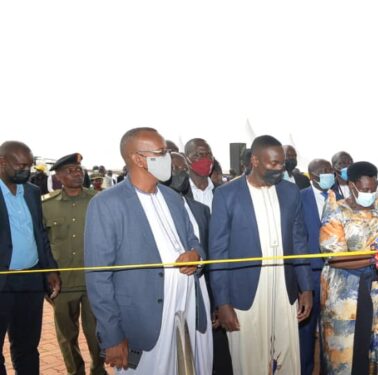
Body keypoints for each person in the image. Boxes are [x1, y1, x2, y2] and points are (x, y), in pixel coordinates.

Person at [84, 127, 211, 374]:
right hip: (144, 320)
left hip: (185, 313)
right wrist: (112, 336)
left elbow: (194, 241)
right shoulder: (107, 204)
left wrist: (196, 256)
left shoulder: (173, 197)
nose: (168, 158)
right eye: (162, 152)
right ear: (138, 159)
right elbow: (98, 277)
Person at [209, 135, 313, 375]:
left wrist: (306, 288)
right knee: (249, 363)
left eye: (282, 163)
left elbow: (299, 241)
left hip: (285, 290)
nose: (280, 168)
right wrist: (222, 302)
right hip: (245, 293)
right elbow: (218, 252)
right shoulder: (227, 194)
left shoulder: (290, 191)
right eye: (273, 163)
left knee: (288, 360)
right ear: (254, 160)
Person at [319, 161, 378, 374]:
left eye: (373, 188)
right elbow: (334, 257)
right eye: (365, 189)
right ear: (352, 185)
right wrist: (374, 258)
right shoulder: (336, 210)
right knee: (350, 354)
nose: (370, 193)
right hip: (348, 295)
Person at [166, 152, 231, 375]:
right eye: (174, 169)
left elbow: (213, 256)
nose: (180, 174)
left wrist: (216, 302)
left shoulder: (201, 211)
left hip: (201, 294)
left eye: (183, 169)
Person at [0, 141, 61, 375]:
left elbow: (40, 234)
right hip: (2, 281)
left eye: (30, 165)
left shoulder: (33, 192)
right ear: (2, 161)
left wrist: (50, 270)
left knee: (27, 345)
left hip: (30, 281)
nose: (27, 170)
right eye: (21, 165)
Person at [42, 153, 105, 375]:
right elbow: (43, 244)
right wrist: (47, 277)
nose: (77, 173)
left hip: (93, 282)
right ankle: (74, 371)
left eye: (79, 169)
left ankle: (99, 370)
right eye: (70, 170)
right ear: (58, 176)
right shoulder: (46, 206)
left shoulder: (99, 200)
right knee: (67, 336)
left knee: (97, 333)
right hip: (62, 284)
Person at [298, 159, 343, 375]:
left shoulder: (343, 198)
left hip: (340, 273)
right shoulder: (299, 198)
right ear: (311, 175)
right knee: (306, 332)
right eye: (322, 171)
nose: (327, 174)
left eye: (329, 171)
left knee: (334, 330)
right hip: (311, 275)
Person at [185, 138, 216, 209]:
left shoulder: (222, 191)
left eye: (208, 155)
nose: (205, 159)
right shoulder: (179, 193)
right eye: (198, 155)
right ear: (187, 160)